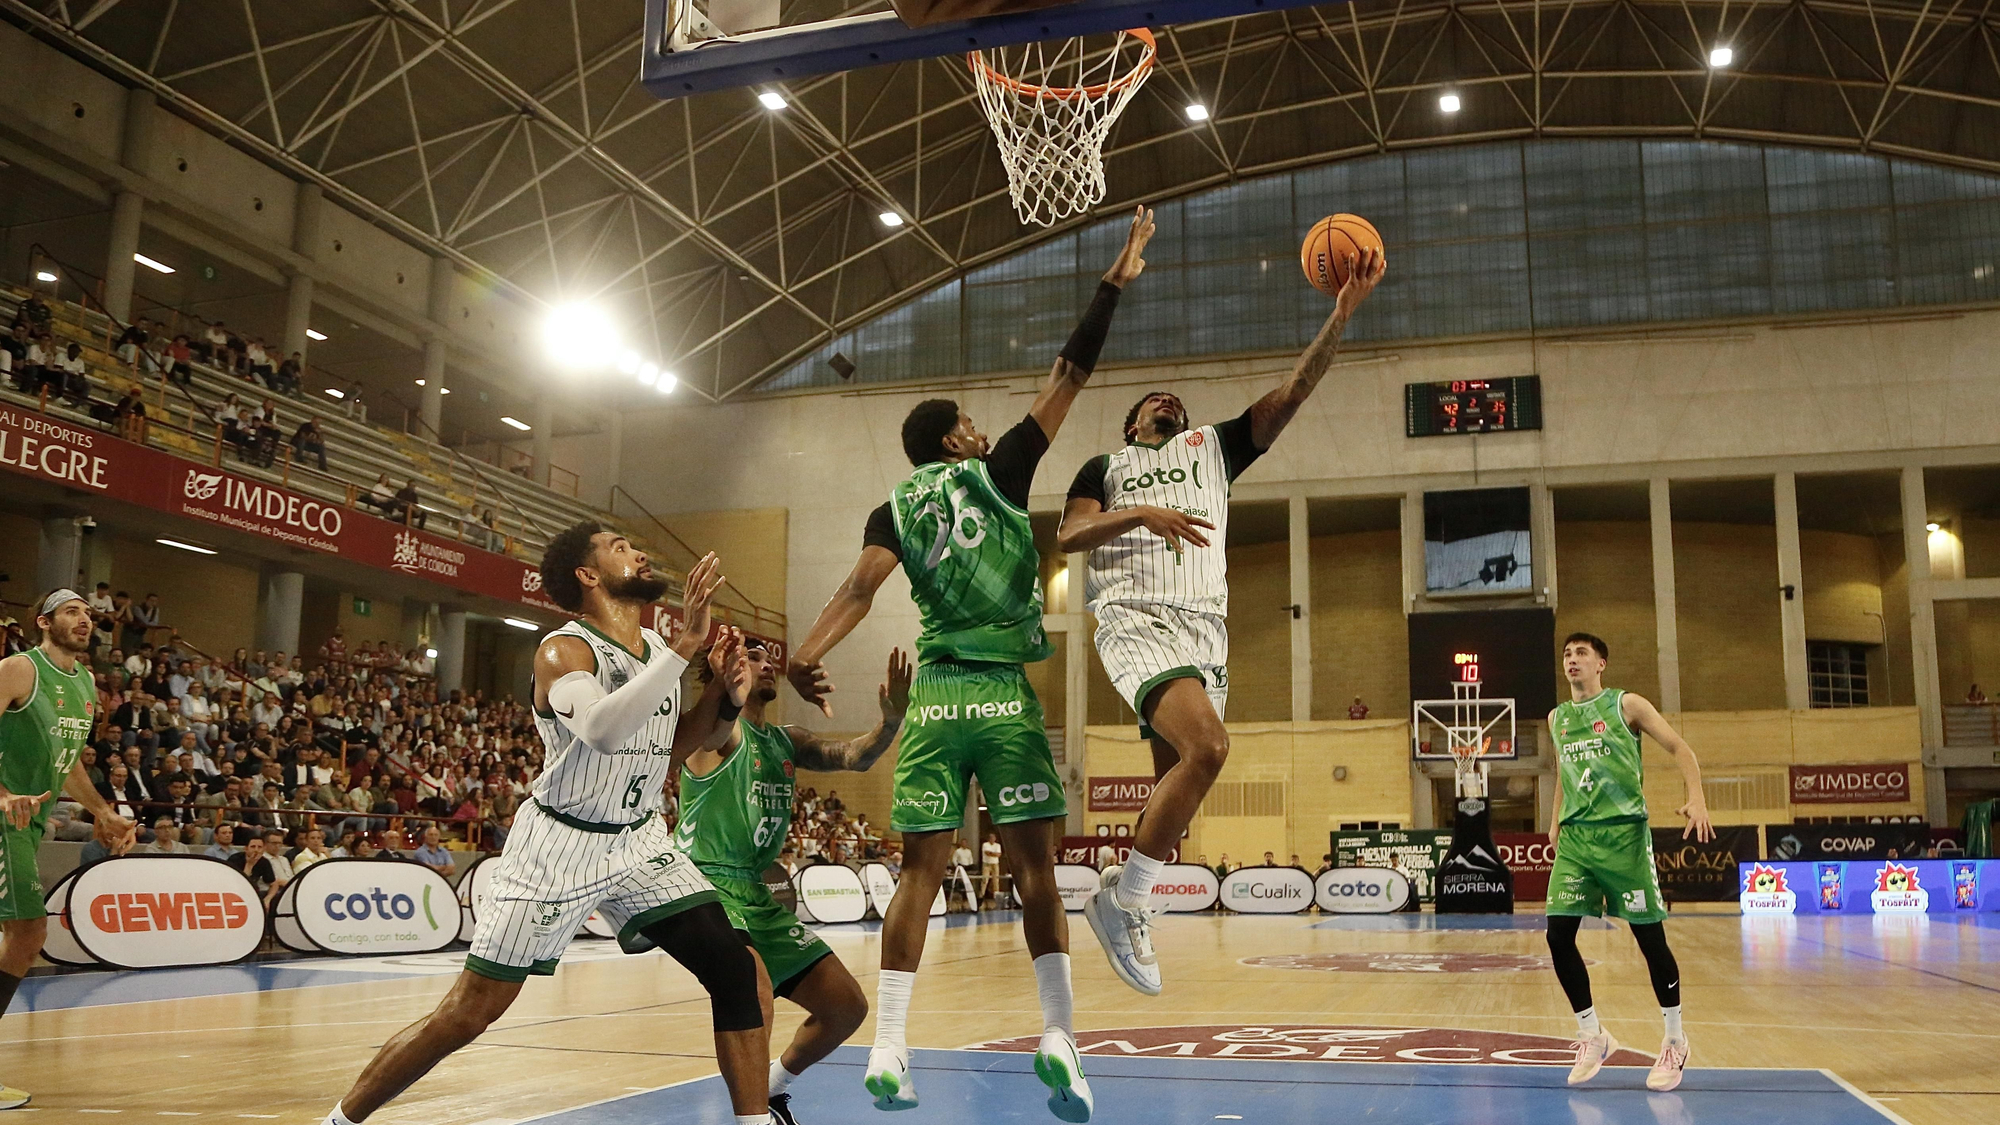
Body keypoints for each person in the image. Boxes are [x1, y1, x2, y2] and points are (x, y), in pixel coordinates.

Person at [783, 206, 1153, 1121]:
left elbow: (859, 590)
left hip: (937, 695)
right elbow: (1072, 372)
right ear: (953, 438)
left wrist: (806, 654)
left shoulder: (894, 507)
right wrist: (1113, 282)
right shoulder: (1001, 471)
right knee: (1034, 870)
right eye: (971, 423)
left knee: (918, 872)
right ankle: (1061, 1034)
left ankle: (893, 1048)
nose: (985, 428)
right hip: (999, 692)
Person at [318, 524, 769, 1125]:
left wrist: (724, 696)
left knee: (737, 967)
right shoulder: (564, 651)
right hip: (560, 845)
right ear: (588, 575)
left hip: (637, 839)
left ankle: (754, 1122)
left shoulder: (658, 654)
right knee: (469, 1013)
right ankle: (339, 1122)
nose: (638, 552)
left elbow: (673, 749)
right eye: (618, 548)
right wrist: (688, 646)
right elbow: (605, 732)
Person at [1060, 245, 1385, 999]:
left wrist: (1340, 315)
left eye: (1175, 399)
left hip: (1206, 636)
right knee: (1210, 748)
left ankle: (1129, 887)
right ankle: (1122, 900)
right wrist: (1140, 510)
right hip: (1136, 621)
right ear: (1134, 420)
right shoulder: (1104, 468)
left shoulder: (1215, 449)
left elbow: (1295, 390)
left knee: (1169, 806)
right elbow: (1070, 538)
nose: (1166, 401)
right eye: (1152, 401)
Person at [676, 638, 907, 1125]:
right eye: (749, 657)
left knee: (845, 1006)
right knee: (751, 986)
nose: (764, 665)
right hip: (705, 886)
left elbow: (855, 757)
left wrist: (889, 723)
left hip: (755, 893)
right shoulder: (715, 730)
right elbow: (719, 729)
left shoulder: (787, 740)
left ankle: (775, 1089)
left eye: (765, 658)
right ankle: (752, 1118)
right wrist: (724, 690)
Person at [1546, 632, 1713, 1094]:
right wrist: (1556, 819)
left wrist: (1695, 798)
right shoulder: (1557, 717)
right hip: (1578, 839)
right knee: (1558, 935)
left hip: (1623, 836)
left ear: (1601, 663)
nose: (1572, 659)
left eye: (1581, 653)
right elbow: (1563, 769)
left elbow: (1682, 749)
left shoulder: (1627, 706)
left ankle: (1676, 1040)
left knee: (1649, 940)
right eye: (1567, 654)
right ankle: (1592, 1034)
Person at [0, 590, 137, 1109]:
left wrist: (101, 812)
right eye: (72, 611)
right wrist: (4, 794)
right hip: (2, 818)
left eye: (88, 614)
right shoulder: (17, 669)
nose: (85, 620)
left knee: (22, 932)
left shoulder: (85, 685)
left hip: (27, 823)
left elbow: (70, 762)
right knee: (29, 929)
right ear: (44, 622)